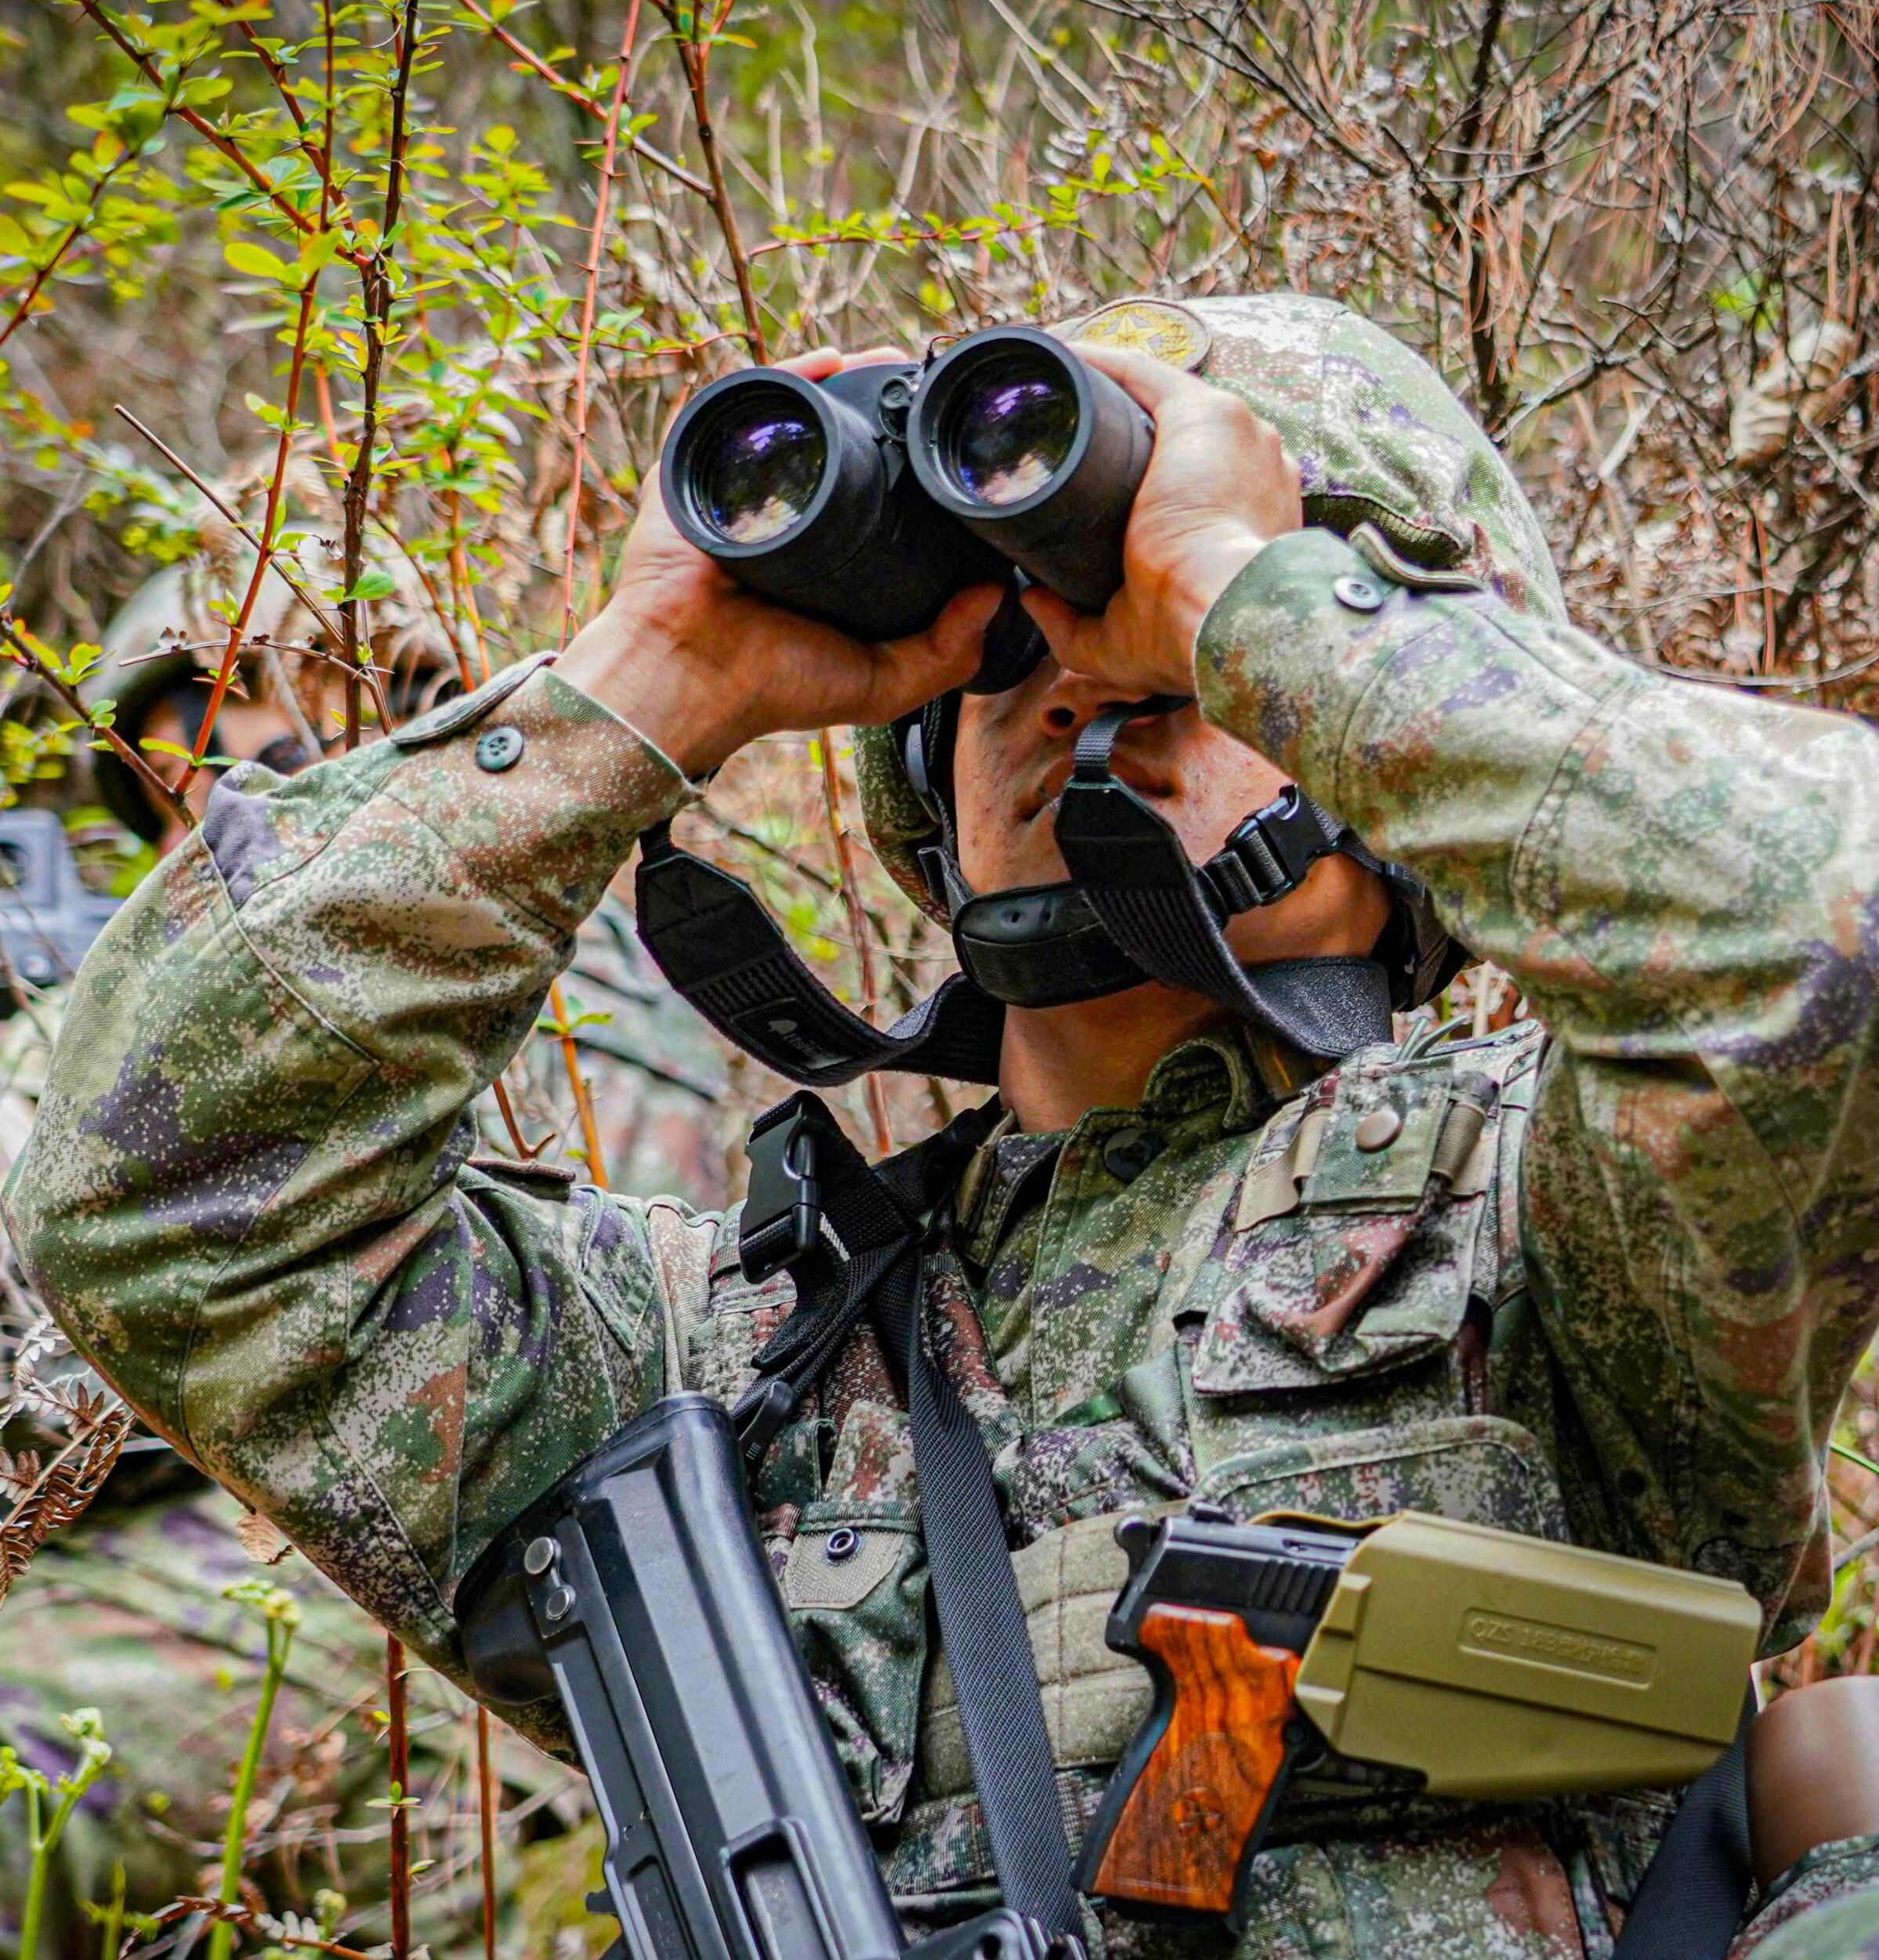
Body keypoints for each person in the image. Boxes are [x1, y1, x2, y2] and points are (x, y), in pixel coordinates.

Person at [8, 292, 1879, 1960]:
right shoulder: (697, 1363)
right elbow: (156, 1203)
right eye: (1013, 633)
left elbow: (1834, 921)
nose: (1074, 669)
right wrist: (651, 674)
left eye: (1164, 640)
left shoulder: (1566, 1215)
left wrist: (1248, 590)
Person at [0, 546, 726, 1960]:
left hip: (414, 1560)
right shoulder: (78, 1029)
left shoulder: (562, 1000)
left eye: (277, 725)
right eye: (186, 755)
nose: (224, 784)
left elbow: (512, 1366)